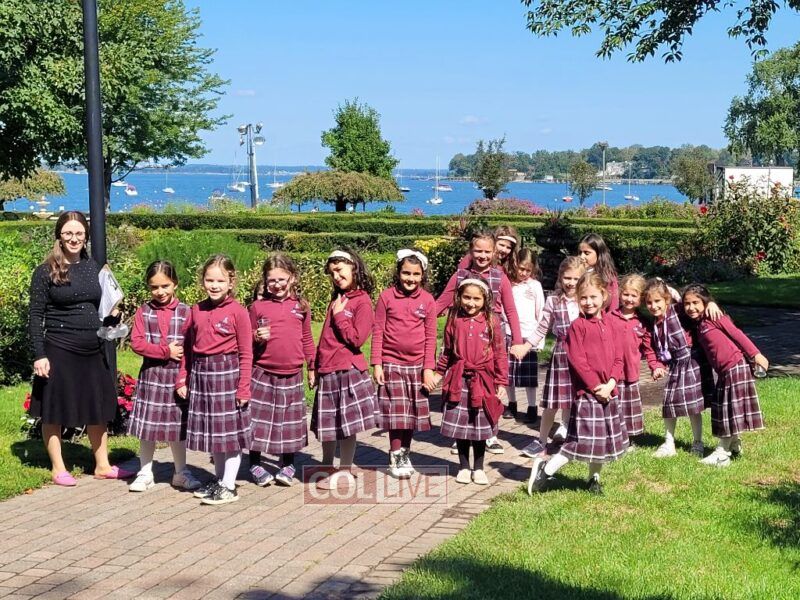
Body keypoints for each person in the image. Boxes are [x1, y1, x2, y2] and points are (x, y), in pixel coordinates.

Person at [28, 211, 133, 486]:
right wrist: (39, 355)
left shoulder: (92, 266)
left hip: (92, 348)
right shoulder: (45, 271)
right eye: (68, 233)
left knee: (97, 405)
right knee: (54, 408)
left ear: (85, 236)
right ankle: (58, 467)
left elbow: (100, 305)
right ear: (59, 236)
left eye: (79, 233)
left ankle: (102, 465)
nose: (74, 239)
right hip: (59, 348)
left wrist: (112, 317)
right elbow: (35, 316)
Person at [528, 272, 627, 495]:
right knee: (580, 441)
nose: (588, 302)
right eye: (583, 298)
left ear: (604, 295)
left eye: (593, 297)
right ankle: (546, 470)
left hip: (609, 392)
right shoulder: (577, 327)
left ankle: (593, 479)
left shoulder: (613, 324)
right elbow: (578, 362)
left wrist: (611, 384)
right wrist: (596, 387)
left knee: (601, 441)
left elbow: (619, 358)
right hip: (588, 395)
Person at [437, 229, 526, 454]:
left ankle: (490, 434)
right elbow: (443, 301)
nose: (483, 256)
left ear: (494, 252)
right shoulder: (460, 275)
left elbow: (511, 310)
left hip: (491, 337)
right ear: (471, 251)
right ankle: (461, 434)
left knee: (490, 389)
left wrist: (517, 340)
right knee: (463, 388)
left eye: (487, 252)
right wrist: (420, 319)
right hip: (463, 337)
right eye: (478, 251)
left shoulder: (500, 277)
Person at [177, 255, 253, 505]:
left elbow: (246, 353)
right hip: (202, 376)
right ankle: (220, 480)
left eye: (220, 280)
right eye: (210, 280)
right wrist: (183, 378)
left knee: (229, 435)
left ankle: (229, 486)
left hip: (227, 376)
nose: (214, 285)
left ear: (231, 282)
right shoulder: (196, 310)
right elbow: (187, 349)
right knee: (214, 434)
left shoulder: (239, 312)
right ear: (203, 281)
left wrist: (243, 388)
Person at [127, 261, 201, 492]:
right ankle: (145, 472)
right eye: (154, 287)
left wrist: (184, 378)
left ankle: (181, 472)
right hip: (151, 376)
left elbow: (191, 348)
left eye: (165, 286)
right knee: (147, 427)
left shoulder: (187, 312)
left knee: (177, 427)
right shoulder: (143, 311)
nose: (160, 291)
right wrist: (165, 352)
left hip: (177, 378)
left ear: (175, 284)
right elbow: (137, 343)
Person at [311, 248, 377, 489]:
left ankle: (345, 470)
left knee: (346, 426)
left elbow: (357, 339)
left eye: (339, 270)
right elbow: (325, 339)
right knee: (327, 423)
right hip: (328, 370)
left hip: (347, 370)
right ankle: (327, 465)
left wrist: (340, 316)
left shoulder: (362, 301)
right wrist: (314, 367)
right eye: (332, 273)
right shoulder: (337, 299)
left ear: (354, 267)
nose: (336, 277)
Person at [248, 253, 315, 487]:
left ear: (292, 278)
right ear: (265, 281)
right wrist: (256, 336)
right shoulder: (257, 307)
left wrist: (312, 367)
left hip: (292, 373)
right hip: (263, 372)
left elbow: (307, 338)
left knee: (289, 424)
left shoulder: (301, 306)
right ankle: (254, 463)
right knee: (258, 421)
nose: (276, 285)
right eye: (271, 280)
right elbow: (245, 339)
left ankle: (288, 464)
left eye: (281, 279)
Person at [433, 278, 508, 486]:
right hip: (459, 380)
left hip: (483, 381)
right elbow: (447, 351)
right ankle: (464, 467)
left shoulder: (492, 321)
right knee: (462, 428)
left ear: (485, 299)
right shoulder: (454, 319)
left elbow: (500, 353)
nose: (471, 303)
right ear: (459, 297)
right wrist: (439, 373)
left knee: (480, 427)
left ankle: (479, 468)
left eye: (476, 299)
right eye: (467, 297)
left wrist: (501, 381)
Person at [682, 284, 767, 467]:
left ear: (705, 301)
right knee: (725, 409)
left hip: (735, 366)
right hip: (723, 372)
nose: (691, 307)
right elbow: (673, 303)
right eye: (687, 303)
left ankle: (722, 453)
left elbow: (736, 334)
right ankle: (734, 443)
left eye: (696, 302)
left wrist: (756, 354)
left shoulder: (715, 316)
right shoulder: (698, 323)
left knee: (729, 411)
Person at [371, 249, 437, 479]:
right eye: (406, 273)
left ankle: (404, 454)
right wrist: (377, 363)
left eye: (416, 274)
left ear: (422, 275)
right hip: (392, 364)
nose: (410, 278)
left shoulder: (427, 300)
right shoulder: (386, 297)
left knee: (411, 416)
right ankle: (395, 455)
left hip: (417, 367)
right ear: (398, 273)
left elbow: (431, 337)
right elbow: (378, 331)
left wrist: (428, 369)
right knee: (396, 415)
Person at [642, 278, 718, 459]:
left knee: (694, 406)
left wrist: (711, 303)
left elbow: (694, 302)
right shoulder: (652, 326)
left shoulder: (678, 311)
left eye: (658, 301)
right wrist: (656, 366)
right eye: (649, 302)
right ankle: (669, 443)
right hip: (675, 365)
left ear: (667, 300)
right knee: (669, 404)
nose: (654, 306)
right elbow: (651, 350)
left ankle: (698, 442)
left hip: (692, 363)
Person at [521, 256, 585, 457]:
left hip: (583, 358)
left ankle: (573, 439)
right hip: (561, 357)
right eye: (567, 278)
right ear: (560, 277)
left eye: (576, 279)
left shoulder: (586, 300)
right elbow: (542, 328)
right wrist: (526, 346)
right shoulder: (553, 300)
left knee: (576, 400)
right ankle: (541, 440)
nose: (571, 283)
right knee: (552, 402)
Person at [503, 248, 545, 422]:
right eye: (521, 268)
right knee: (508, 374)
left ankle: (532, 407)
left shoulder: (535, 286)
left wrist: (539, 340)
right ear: (515, 265)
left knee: (529, 376)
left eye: (528, 270)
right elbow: (504, 307)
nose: (524, 273)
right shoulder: (508, 283)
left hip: (529, 335)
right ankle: (511, 404)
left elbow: (541, 312)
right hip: (510, 333)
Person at [608, 274, 649, 444]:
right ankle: (613, 436)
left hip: (631, 372)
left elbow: (649, 348)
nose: (629, 299)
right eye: (626, 294)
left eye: (634, 295)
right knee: (613, 406)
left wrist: (655, 365)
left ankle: (630, 438)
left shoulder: (643, 322)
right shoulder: (609, 317)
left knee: (629, 407)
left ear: (641, 298)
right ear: (620, 294)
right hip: (611, 374)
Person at [577, 233, 619, 312]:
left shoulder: (608, 277)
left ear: (599, 254)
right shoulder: (576, 273)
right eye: (580, 253)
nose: (581, 257)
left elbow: (613, 305)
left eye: (587, 253)